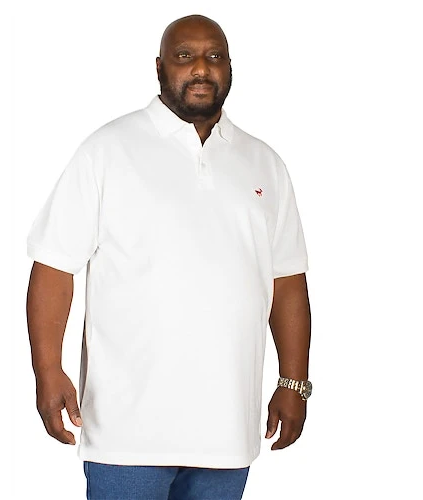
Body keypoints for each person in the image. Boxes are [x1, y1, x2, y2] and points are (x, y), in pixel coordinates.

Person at [26, 14, 312, 500]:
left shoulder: (264, 163)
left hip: (228, 434)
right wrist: (47, 371)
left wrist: (294, 381)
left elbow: (286, 281)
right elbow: (53, 267)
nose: (201, 68)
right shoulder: (108, 150)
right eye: (185, 56)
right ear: (159, 67)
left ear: (230, 69)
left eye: (214, 56)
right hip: (126, 434)